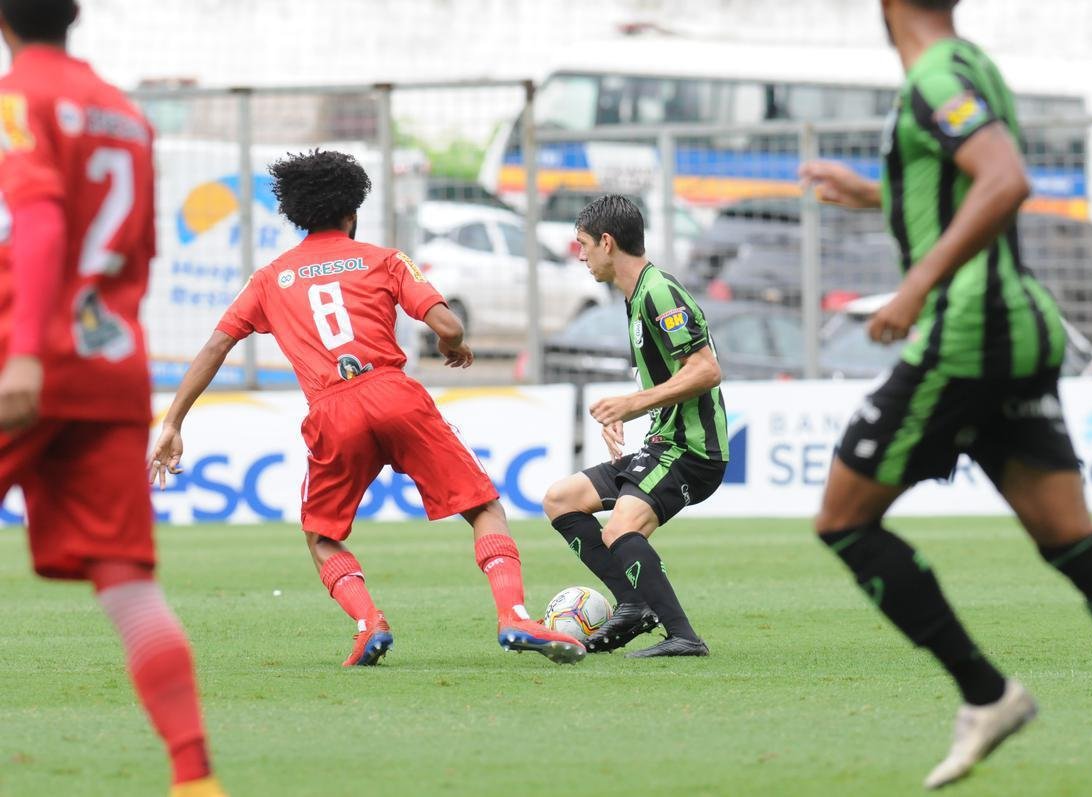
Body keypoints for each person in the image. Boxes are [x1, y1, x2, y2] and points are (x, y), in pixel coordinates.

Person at [800, 0, 1092, 792]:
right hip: (1020, 325)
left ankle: (988, 694)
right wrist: (877, 193)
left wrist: (913, 287)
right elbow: (965, 184)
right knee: (1071, 539)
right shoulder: (974, 64)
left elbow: (1004, 179)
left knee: (843, 520)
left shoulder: (936, 75)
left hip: (967, 331)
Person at [150, 149, 585, 668]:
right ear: (352, 212)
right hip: (394, 394)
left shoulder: (269, 279)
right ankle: (513, 615)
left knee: (321, 535)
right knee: (483, 506)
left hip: (331, 409)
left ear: (294, 214)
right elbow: (448, 327)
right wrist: (453, 348)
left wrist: (174, 422)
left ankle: (368, 623)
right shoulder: (384, 259)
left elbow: (215, 347)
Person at [0, 1, 225, 795]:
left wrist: (25, 355)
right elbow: (139, 253)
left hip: (26, 355)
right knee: (128, 583)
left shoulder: (19, 98)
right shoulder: (129, 115)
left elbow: (38, 221)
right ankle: (194, 776)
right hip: (111, 363)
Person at [541, 194, 726, 658]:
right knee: (561, 500)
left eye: (583, 244)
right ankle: (633, 603)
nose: (580, 255)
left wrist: (633, 403)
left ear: (607, 242)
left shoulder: (659, 290)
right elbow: (669, 377)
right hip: (663, 443)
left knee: (621, 526)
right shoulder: (636, 296)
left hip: (692, 452)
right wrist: (629, 412)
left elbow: (706, 370)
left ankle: (682, 636)